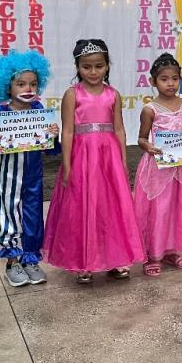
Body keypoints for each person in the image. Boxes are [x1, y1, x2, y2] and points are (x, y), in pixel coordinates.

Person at [42, 39, 145, 283]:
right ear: (77, 67)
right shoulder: (72, 95)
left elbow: (119, 129)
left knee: (111, 207)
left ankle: (115, 258)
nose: (93, 72)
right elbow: (67, 131)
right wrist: (66, 165)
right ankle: (83, 261)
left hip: (108, 156)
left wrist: (122, 160)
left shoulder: (113, 95)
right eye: (86, 67)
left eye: (99, 66)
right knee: (83, 206)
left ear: (107, 66)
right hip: (82, 156)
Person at [0, 50, 59, 287]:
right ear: (7, 86)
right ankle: (12, 262)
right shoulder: (0, 114)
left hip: (34, 177)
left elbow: (49, 149)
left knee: (33, 218)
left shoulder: (39, 112)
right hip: (9, 179)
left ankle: (30, 259)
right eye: (21, 83)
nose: (28, 88)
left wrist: (52, 136)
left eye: (33, 84)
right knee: (10, 217)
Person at [135, 54, 182, 276]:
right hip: (158, 169)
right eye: (164, 79)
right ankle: (152, 255)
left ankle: (172, 250)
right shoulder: (150, 109)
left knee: (178, 208)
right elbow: (142, 138)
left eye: (175, 78)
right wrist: (149, 147)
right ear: (153, 81)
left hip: (181, 167)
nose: (171, 83)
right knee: (159, 211)